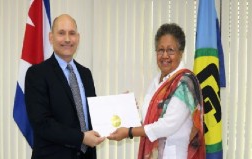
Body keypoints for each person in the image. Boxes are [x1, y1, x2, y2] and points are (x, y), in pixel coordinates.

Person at [108, 23, 205, 159]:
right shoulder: (157, 81)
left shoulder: (185, 82)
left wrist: (129, 132)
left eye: (170, 50)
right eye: (160, 50)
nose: (164, 55)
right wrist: (129, 110)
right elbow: (149, 120)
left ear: (181, 53)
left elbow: (167, 125)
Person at [25, 14, 105, 159]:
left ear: (78, 38)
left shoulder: (86, 73)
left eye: (72, 33)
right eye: (61, 33)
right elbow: (42, 123)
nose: (67, 39)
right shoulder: (36, 74)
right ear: (51, 37)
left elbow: (92, 115)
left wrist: (119, 107)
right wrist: (81, 138)